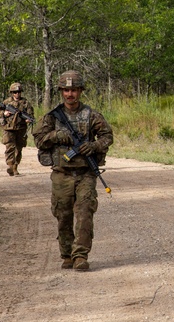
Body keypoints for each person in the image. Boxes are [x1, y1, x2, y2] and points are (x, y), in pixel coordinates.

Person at [32, 70, 114, 272]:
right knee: (63, 214)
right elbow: (38, 140)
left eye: (74, 90)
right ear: (61, 91)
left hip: (85, 173)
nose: (70, 94)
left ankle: (80, 256)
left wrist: (93, 147)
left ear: (80, 91)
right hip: (62, 173)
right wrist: (56, 136)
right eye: (66, 90)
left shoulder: (91, 115)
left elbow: (107, 137)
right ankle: (67, 254)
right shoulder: (52, 117)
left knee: (85, 212)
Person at [0, 82, 33, 176]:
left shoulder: (25, 103)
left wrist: (29, 120)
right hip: (9, 128)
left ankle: (15, 167)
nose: (17, 94)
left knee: (18, 149)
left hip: (21, 128)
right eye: (15, 92)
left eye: (19, 92)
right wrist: (4, 114)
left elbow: (30, 114)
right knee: (9, 147)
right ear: (12, 93)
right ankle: (10, 165)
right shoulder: (6, 102)